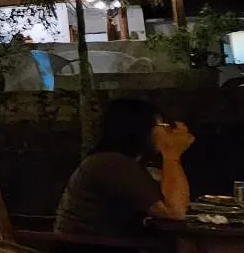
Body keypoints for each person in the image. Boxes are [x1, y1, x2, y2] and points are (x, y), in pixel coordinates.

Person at [55, 98, 193, 237]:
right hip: (90, 251)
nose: (167, 131)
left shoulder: (121, 163)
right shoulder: (111, 164)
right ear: (141, 129)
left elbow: (174, 203)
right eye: (163, 125)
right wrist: (172, 156)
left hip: (109, 247)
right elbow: (175, 211)